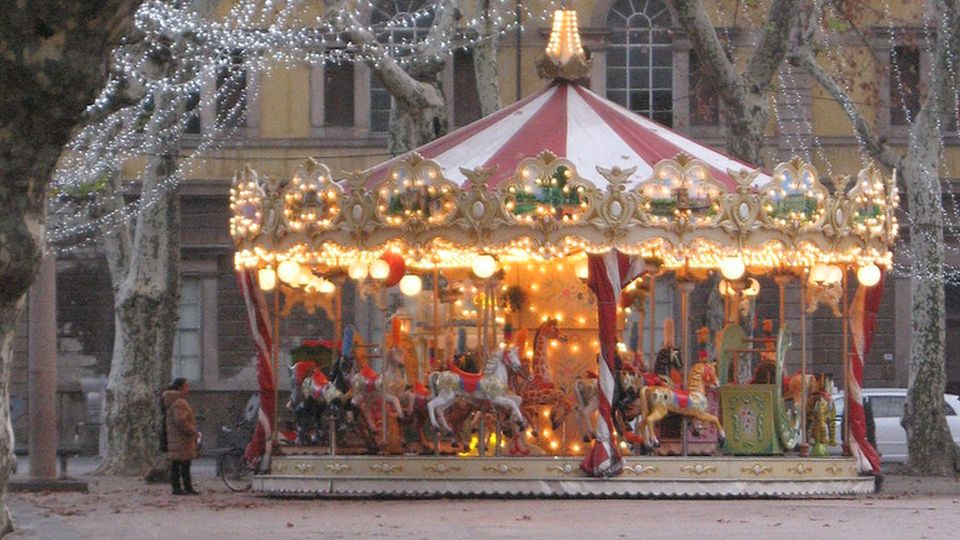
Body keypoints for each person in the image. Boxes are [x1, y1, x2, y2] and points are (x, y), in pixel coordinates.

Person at [163, 378, 200, 495]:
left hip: (175, 439)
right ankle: (185, 487)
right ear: (180, 388)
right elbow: (180, 420)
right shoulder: (180, 402)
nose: (188, 388)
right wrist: (192, 430)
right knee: (184, 465)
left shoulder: (171, 401)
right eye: (186, 386)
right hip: (182, 439)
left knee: (176, 464)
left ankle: (177, 487)